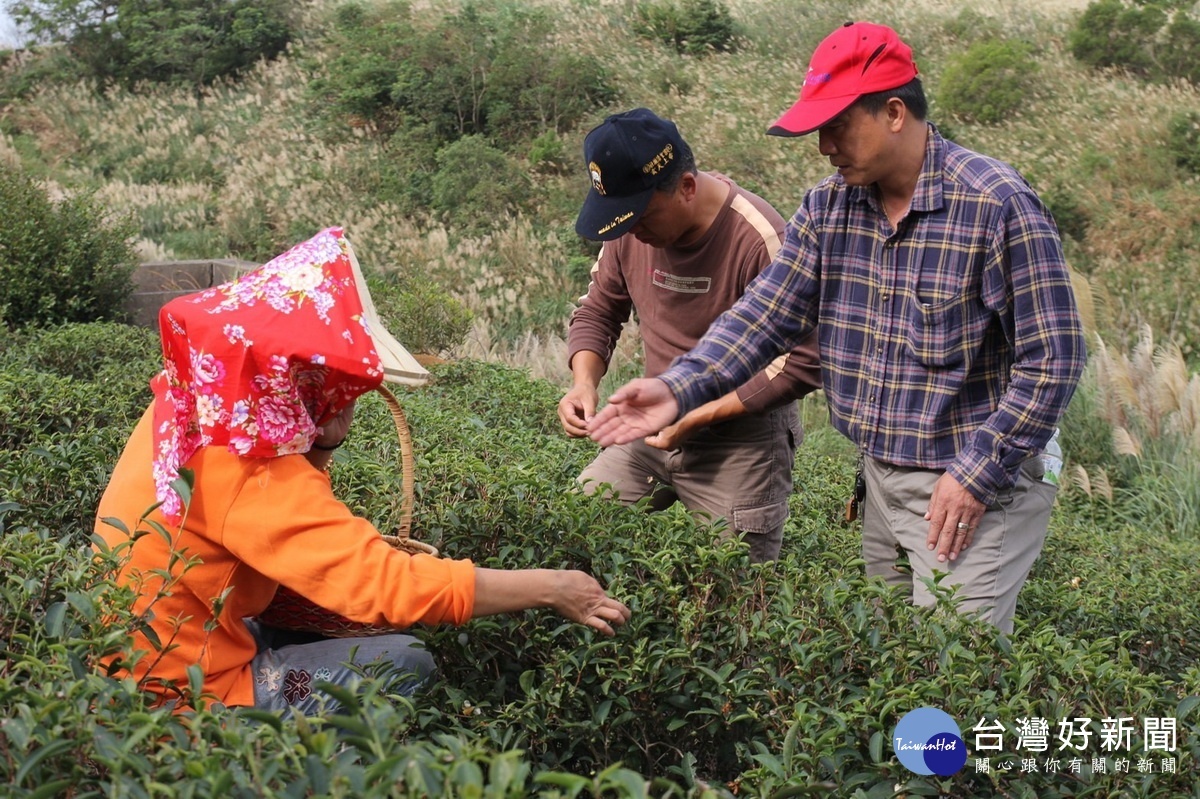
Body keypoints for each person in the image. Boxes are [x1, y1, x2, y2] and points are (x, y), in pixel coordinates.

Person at [588, 24, 1087, 634]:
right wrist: (677, 388)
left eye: (837, 126)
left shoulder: (995, 205)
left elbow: (1053, 361)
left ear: (895, 112)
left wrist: (976, 474)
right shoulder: (830, 208)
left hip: (975, 484)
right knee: (891, 652)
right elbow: (765, 316)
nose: (824, 145)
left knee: (955, 663)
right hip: (881, 473)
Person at [95, 226, 630, 714]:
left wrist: (324, 441)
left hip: (161, 650)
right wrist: (555, 587)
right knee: (403, 661)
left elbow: (288, 530)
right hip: (185, 695)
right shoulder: (250, 468)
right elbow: (383, 583)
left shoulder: (200, 406)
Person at [561, 108, 822, 562]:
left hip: (741, 444)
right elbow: (599, 311)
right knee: (575, 533)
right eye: (620, 221)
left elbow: (803, 359)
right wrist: (584, 383)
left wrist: (695, 416)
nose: (633, 234)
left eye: (640, 218)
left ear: (685, 187)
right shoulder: (627, 232)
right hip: (649, 426)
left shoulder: (761, 238)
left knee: (738, 590)